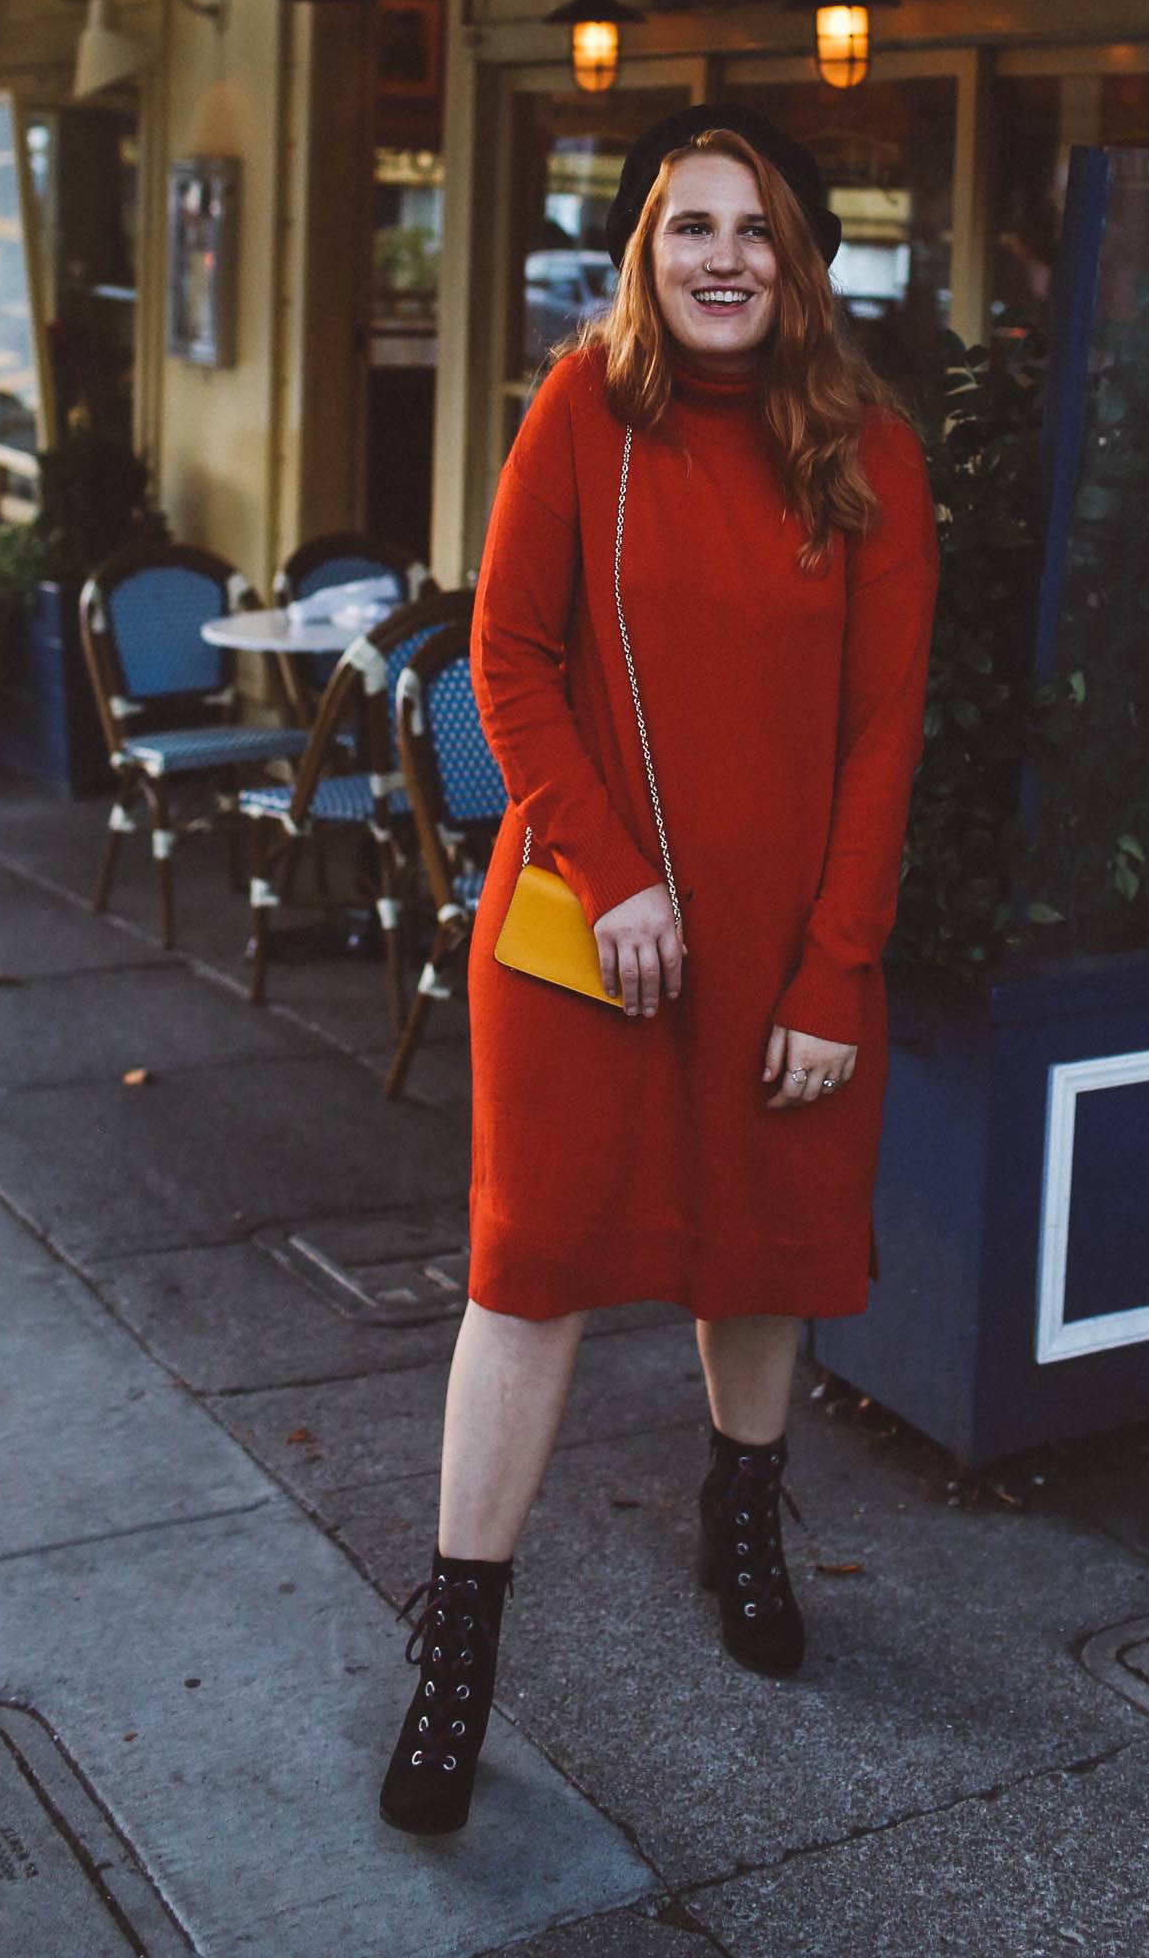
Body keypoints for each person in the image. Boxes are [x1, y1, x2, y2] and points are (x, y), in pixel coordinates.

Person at [380, 103, 941, 1837]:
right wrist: (613, 873)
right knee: (528, 1272)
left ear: (802, 258)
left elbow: (881, 734)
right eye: (691, 225)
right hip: (581, 938)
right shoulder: (581, 410)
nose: (724, 257)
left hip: (777, 943)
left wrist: (835, 972)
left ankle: (743, 1517)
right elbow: (506, 662)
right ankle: (457, 1656)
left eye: (756, 227)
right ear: (643, 252)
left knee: (754, 1242)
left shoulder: (867, 451)